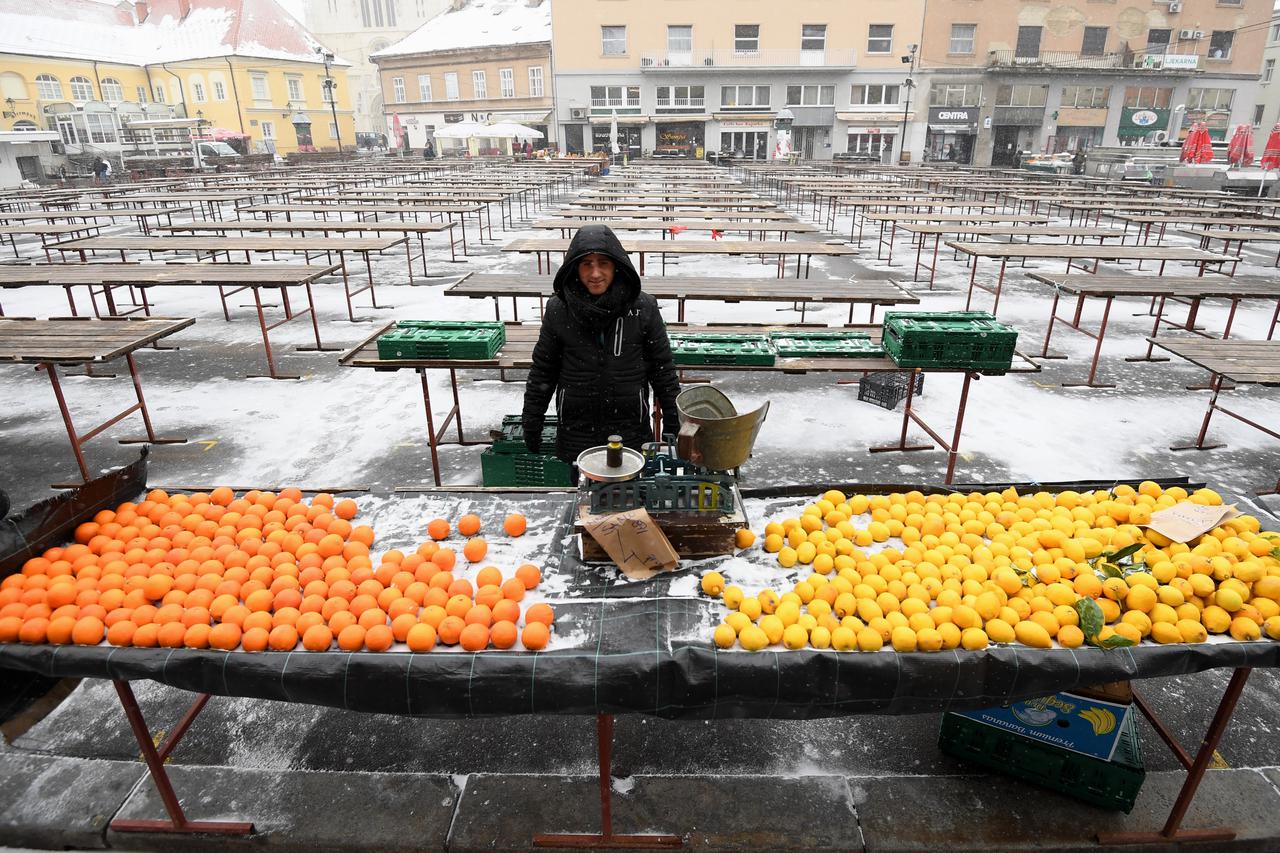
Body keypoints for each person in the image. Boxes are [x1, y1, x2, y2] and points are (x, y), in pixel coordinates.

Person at [522, 224, 681, 465]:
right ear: (575, 267)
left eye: (603, 263)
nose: (595, 274)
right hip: (576, 430)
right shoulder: (559, 310)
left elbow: (662, 370)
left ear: (617, 265)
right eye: (587, 264)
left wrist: (673, 418)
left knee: (630, 496)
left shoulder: (642, 308)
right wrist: (532, 420)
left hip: (629, 430)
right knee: (583, 494)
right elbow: (544, 370)